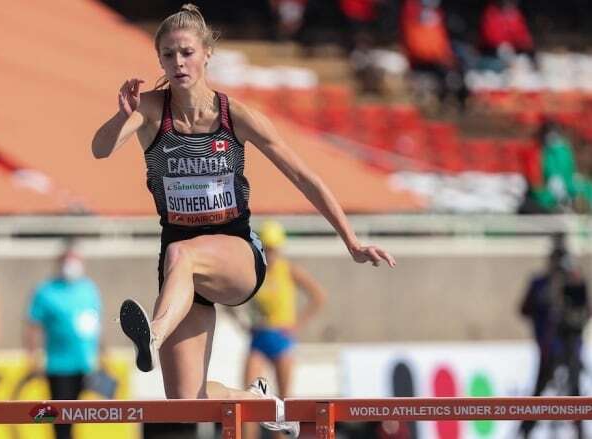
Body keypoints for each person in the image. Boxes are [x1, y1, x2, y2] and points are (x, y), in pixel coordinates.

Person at [90, 4, 394, 437]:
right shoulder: (151, 110)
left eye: (187, 52)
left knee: (182, 252)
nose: (178, 63)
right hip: (182, 275)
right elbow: (100, 150)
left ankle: (152, 336)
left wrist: (352, 240)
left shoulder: (235, 118)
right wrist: (122, 116)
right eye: (169, 55)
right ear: (159, 60)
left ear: (207, 54)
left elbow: (304, 177)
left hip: (235, 254)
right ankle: (257, 401)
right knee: (186, 404)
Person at [240, 220, 327, 439]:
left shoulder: (288, 269)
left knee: (284, 402)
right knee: (247, 397)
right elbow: (231, 297)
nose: (271, 254)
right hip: (259, 336)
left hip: (281, 337)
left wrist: (297, 324)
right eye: (267, 249)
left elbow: (318, 296)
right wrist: (244, 322)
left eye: (273, 249)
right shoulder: (255, 271)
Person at [24, 246, 102, 439]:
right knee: (57, 417)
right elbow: (33, 325)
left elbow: (96, 324)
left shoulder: (89, 288)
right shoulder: (46, 291)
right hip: (58, 366)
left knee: (83, 415)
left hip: (85, 364)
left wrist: (100, 354)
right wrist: (34, 356)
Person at [519, 234, 589, 438]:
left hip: (571, 345)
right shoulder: (540, 282)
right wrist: (545, 300)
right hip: (549, 346)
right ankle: (525, 431)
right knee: (538, 393)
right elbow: (524, 309)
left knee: (575, 395)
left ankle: (581, 433)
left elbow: (584, 309)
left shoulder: (575, 281)